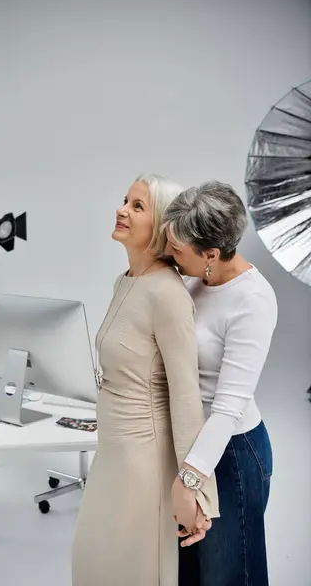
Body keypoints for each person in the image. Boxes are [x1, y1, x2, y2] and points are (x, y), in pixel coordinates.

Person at [71, 175, 219, 586]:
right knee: (90, 562)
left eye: (138, 206)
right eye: (125, 201)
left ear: (163, 227)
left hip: (143, 461)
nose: (122, 210)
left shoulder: (168, 295)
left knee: (130, 571)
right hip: (111, 452)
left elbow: (187, 399)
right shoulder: (125, 282)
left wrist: (196, 491)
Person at [162, 181, 278, 586]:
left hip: (230, 453)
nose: (170, 255)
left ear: (211, 254)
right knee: (191, 574)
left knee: (229, 576)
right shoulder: (193, 278)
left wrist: (189, 480)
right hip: (193, 442)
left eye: (178, 249)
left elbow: (227, 408)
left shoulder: (253, 301)